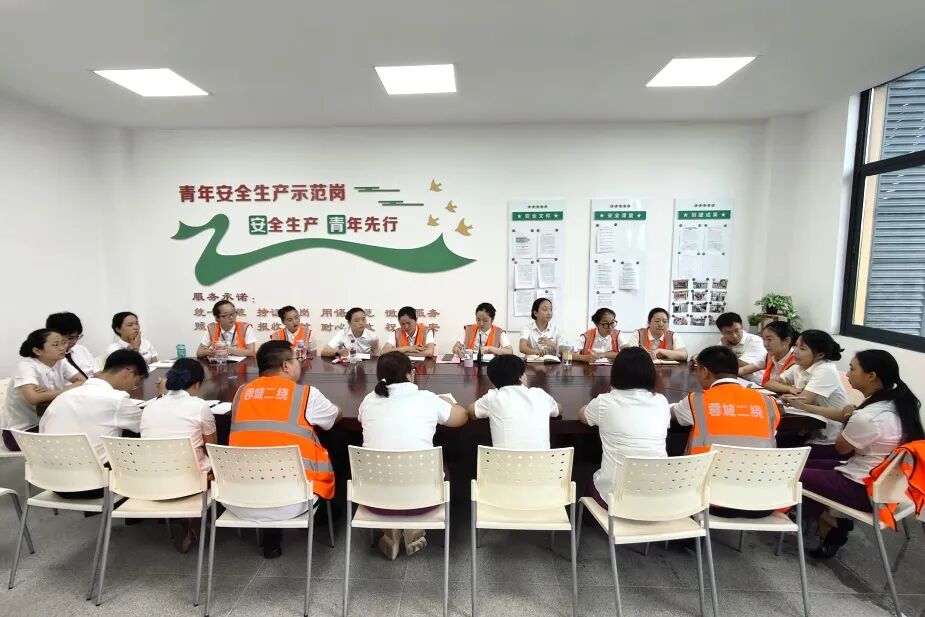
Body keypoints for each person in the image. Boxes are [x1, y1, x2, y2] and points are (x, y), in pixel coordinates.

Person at [800, 350, 924, 558]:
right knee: (804, 464)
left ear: (871, 376)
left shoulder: (868, 416)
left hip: (862, 488)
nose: (847, 374)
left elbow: (841, 449)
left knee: (793, 474)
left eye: (852, 369)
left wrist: (849, 415)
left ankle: (832, 523)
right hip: (890, 486)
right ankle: (825, 525)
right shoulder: (899, 405)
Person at [228, 340, 341, 559]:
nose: (299, 364)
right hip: (294, 500)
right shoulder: (306, 395)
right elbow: (332, 419)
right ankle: (325, 516)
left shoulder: (240, 394)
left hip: (240, 497)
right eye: (297, 359)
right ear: (286, 366)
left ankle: (271, 540)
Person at [358, 351, 468, 559]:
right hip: (424, 499)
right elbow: (461, 417)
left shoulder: (368, 401)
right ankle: (412, 525)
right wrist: (447, 403)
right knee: (444, 464)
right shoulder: (427, 399)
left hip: (374, 499)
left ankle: (390, 529)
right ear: (410, 374)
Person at [671, 345, 781, 518]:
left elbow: (672, 414)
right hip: (763, 501)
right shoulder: (767, 402)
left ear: (704, 372)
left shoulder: (697, 401)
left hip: (711, 499)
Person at [140, 358, 216, 552]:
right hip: (189, 479)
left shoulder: (150, 407)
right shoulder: (199, 406)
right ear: (197, 384)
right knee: (215, 465)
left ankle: (181, 518)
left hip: (150, 478)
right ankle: (191, 517)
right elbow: (213, 448)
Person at [578, 348, 671, 508]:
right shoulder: (661, 402)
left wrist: (590, 406)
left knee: (587, 479)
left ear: (616, 373)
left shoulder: (605, 402)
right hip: (657, 496)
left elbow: (582, 415)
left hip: (615, 500)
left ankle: (589, 519)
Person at [40, 349, 149, 469]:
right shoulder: (117, 400)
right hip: (91, 475)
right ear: (128, 372)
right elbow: (146, 425)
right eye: (136, 382)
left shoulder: (63, 397)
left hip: (48, 471)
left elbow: (42, 429)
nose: (132, 387)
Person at [764, 330, 849, 456]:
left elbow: (804, 400)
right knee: (767, 441)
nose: (795, 351)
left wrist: (792, 394)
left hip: (828, 439)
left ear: (820, 355)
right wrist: (790, 389)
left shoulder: (826, 369)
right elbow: (769, 384)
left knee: (775, 452)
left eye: (802, 348)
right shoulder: (799, 367)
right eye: (796, 346)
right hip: (807, 431)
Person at [2, 329, 85, 451]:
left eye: (63, 343)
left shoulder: (61, 361)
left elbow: (83, 382)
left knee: (86, 430)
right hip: (21, 432)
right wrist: (66, 390)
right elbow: (32, 398)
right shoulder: (26, 366)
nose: (62, 347)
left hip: (48, 422)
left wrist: (49, 393)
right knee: (77, 441)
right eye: (55, 345)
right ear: (37, 350)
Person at [468, 355, 560, 448]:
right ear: (520, 377)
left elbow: (471, 411)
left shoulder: (493, 397)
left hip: (502, 458)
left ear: (493, 382)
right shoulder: (540, 394)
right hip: (544, 458)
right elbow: (559, 410)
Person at [714, 312, 766, 383]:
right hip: (736, 379)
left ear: (742, 326)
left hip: (756, 383)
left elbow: (744, 364)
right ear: (722, 333)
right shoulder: (723, 342)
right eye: (728, 333)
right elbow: (715, 361)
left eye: (737, 330)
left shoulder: (755, 340)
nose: (734, 336)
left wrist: (727, 349)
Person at [47, 312, 97, 378]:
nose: (74, 341)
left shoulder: (81, 349)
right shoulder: (50, 359)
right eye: (70, 338)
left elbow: (97, 372)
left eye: (77, 337)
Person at [756, 321, 796, 387]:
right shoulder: (769, 356)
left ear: (787, 340)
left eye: (769, 339)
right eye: (763, 340)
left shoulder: (797, 362)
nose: (765, 344)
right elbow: (745, 369)